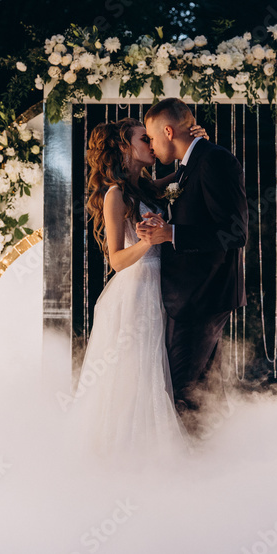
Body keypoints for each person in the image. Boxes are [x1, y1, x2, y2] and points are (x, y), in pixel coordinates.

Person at [72, 116, 207, 457]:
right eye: (143, 139)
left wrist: (199, 144)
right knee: (135, 372)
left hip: (156, 287)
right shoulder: (115, 194)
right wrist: (150, 241)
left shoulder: (144, 188)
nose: (151, 144)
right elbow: (116, 260)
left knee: (153, 371)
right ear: (123, 147)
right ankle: (124, 458)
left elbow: (184, 173)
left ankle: (145, 455)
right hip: (135, 291)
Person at [137, 98, 248, 427]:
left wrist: (172, 233)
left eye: (153, 138)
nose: (153, 147)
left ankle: (191, 470)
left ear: (168, 131)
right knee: (203, 393)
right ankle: (211, 466)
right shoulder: (190, 164)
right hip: (192, 297)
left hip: (204, 296)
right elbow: (169, 195)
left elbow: (235, 232)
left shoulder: (214, 160)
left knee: (184, 392)